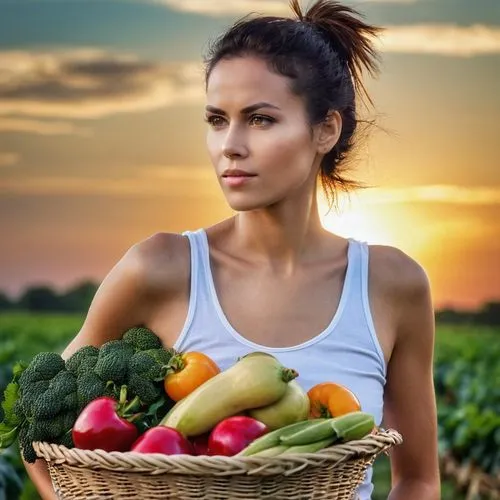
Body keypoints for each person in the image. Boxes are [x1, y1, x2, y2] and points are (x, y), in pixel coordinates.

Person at [23, 0, 440, 498]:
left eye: (261, 119)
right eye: (217, 120)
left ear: (326, 129)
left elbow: (417, 478)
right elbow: (40, 432)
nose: (230, 145)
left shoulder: (393, 285)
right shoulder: (160, 268)